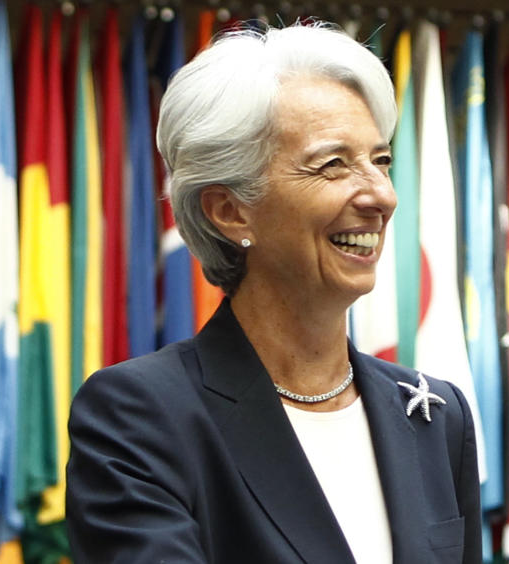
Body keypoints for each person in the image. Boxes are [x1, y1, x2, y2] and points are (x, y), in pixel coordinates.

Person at [66, 22, 481, 564]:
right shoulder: (140, 417)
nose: (382, 194)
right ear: (230, 210)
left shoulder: (434, 415)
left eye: (381, 160)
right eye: (333, 164)